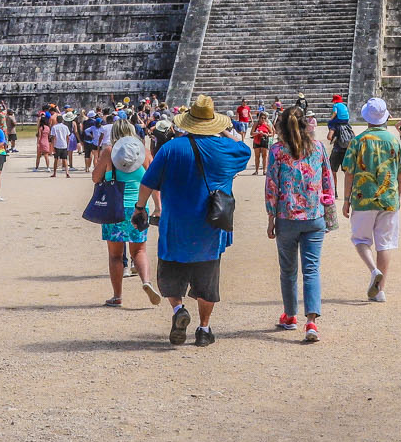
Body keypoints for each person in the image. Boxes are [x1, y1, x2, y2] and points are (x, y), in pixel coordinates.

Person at [134, 94, 247, 347]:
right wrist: (224, 132)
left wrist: (139, 208)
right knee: (208, 282)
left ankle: (178, 310)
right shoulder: (227, 148)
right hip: (210, 226)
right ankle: (204, 329)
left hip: (175, 225)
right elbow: (244, 148)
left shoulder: (171, 148)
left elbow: (147, 183)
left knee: (171, 275)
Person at [265, 104, 331, 340]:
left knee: (288, 270)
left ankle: (290, 315)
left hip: (287, 216)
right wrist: (328, 213)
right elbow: (327, 181)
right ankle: (311, 322)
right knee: (311, 269)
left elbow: (272, 186)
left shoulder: (277, 151)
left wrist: (270, 218)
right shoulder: (318, 147)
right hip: (314, 216)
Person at [343, 97, 401, 301]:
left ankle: (373, 270)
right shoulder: (394, 141)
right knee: (384, 244)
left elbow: (349, 173)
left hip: (363, 197)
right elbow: (400, 173)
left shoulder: (358, 141)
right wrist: (398, 197)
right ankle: (380, 290)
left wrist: (346, 200)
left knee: (360, 240)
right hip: (389, 198)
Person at [96, 119, 161, 307]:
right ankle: (146, 281)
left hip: (114, 208)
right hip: (138, 207)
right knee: (139, 250)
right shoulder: (145, 153)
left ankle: (117, 296)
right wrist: (158, 207)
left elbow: (95, 177)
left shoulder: (109, 152)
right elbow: (155, 182)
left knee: (115, 255)